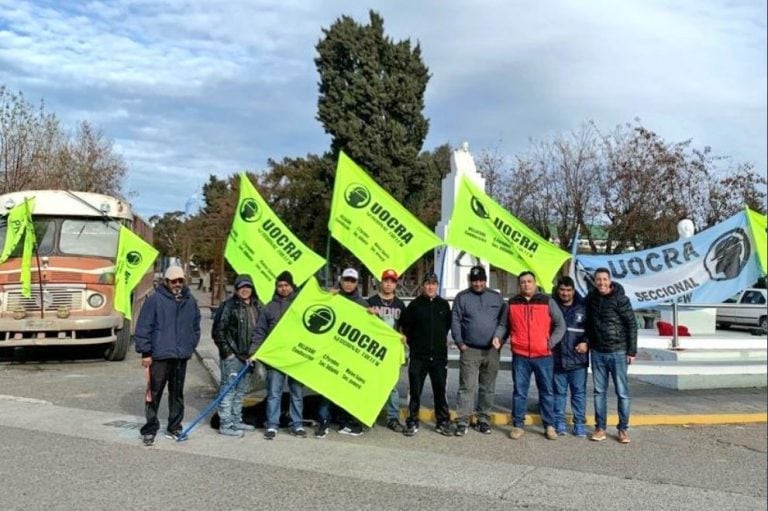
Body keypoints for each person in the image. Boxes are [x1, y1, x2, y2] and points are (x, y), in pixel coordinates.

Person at [135, 265, 201, 446]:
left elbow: (196, 325)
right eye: (173, 281)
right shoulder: (155, 300)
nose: (177, 284)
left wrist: (191, 343)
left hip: (181, 356)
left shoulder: (190, 301)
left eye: (180, 280)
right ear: (166, 282)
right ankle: (150, 428)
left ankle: (175, 427)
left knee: (177, 394)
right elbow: (144, 327)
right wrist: (146, 352)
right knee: (154, 393)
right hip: (160, 355)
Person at [507, 271, 565, 441]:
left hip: (544, 355)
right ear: (519, 285)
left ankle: (549, 425)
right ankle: (518, 425)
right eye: (523, 282)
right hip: (521, 355)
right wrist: (498, 336)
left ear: (535, 283)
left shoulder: (547, 301)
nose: (526, 284)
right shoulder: (512, 303)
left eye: (529, 281)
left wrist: (550, 342)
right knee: (519, 392)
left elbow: (560, 325)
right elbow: (505, 325)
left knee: (546, 392)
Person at [249, 271, 306, 440]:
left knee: (297, 392)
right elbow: (260, 331)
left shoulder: (301, 304)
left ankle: (297, 424)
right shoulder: (269, 307)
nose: (283, 288)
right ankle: (272, 424)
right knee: (274, 392)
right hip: (276, 358)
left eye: (286, 285)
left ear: (292, 286)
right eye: (280, 285)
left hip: (296, 357)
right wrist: (254, 351)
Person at [451, 265, 506, 436]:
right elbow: (456, 321)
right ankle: (462, 420)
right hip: (470, 349)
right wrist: (460, 343)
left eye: (481, 280)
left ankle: (483, 419)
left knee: (488, 387)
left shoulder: (496, 297)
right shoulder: (462, 297)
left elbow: (503, 323)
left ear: (485, 280)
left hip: (491, 351)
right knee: (467, 386)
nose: (477, 284)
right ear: (470, 280)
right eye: (474, 281)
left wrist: (500, 338)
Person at [585, 268, 637, 444]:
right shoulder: (591, 299)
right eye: (598, 279)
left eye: (604, 279)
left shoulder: (621, 299)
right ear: (594, 281)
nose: (601, 283)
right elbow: (587, 324)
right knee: (599, 392)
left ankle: (623, 429)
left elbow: (632, 325)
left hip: (618, 352)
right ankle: (600, 428)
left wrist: (632, 351)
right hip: (598, 352)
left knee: (622, 392)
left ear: (610, 280)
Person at [316, 267, 370, 438]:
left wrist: (374, 317)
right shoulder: (332, 297)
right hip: (330, 352)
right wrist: (325, 297)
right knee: (326, 389)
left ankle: (343, 421)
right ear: (341, 280)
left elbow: (372, 329)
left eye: (352, 280)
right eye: (346, 280)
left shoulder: (362, 304)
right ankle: (323, 421)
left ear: (356, 283)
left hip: (350, 355)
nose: (348, 283)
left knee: (345, 389)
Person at [399, 272, 452, 437]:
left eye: (433, 284)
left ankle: (442, 421)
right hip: (418, 357)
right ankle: (412, 421)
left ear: (437, 285)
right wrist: (413, 344)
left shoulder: (444, 305)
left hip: (438, 357)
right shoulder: (414, 306)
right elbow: (405, 327)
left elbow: (447, 326)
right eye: (427, 283)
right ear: (423, 285)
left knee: (440, 391)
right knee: (415, 391)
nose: (430, 287)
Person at [212, 274, 261, 437]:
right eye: (241, 287)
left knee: (241, 391)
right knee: (228, 390)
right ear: (236, 289)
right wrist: (228, 353)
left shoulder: (256, 306)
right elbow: (218, 332)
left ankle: (236, 419)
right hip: (233, 357)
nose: (245, 290)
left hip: (248, 357)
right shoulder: (228, 306)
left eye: (248, 287)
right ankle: (225, 423)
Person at [367, 269, 407, 433]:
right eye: (386, 280)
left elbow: (404, 327)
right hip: (373, 349)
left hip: (391, 351)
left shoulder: (399, 304)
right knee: (371, 383)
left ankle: (393, 418)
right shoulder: (371, 301)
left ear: (395, 284)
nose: (388, 284)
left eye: (392, 281)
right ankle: (369, 415)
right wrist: (368, 314)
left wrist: (404, 336)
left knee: (392, 386)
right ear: (381, 282)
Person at [551, 276, 589, 437]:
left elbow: (592, 329)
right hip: (557, 358)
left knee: (578, 394)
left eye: (568, 290)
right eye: (562, 290)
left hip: (578, 360)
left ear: (573, 291)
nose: (565, 293)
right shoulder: (551, 306)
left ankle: (579, 423)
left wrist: (586, 342)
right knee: (558, 394)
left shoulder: (583, 307)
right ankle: (559, 423)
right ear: (557, 290)